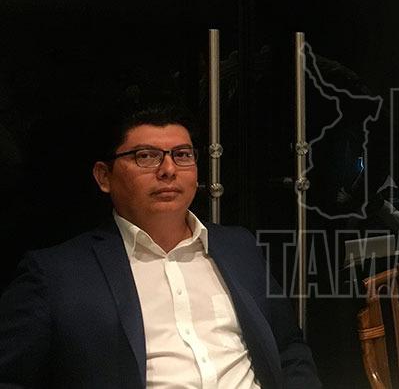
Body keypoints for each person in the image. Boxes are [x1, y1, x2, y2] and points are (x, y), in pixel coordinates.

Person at [0, 101, 322, 388]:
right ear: (104, 177)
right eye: (146, 156)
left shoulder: (239, 247)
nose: (168, 170)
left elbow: (289, 348)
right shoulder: (55, 273)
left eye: (182, 155)